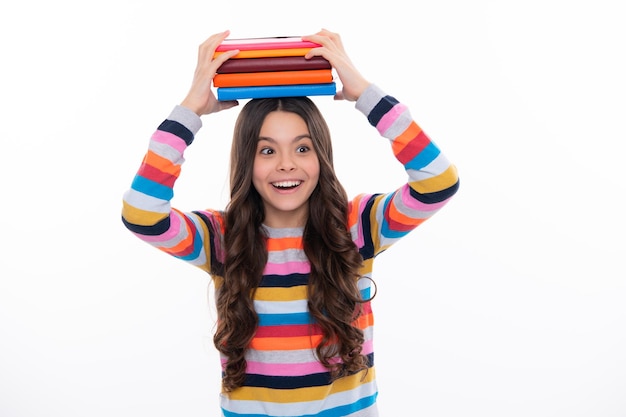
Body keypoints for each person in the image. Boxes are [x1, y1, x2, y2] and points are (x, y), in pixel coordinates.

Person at [122, 28, 459, 417]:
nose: (286, 164)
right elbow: (142, 214)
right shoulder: (221, 239)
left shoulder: (358, 226)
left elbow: (438, 182)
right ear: (247, 161)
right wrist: (189, 112)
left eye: (302, 148)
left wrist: (365, 94)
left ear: (322, 157)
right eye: (267, 150)